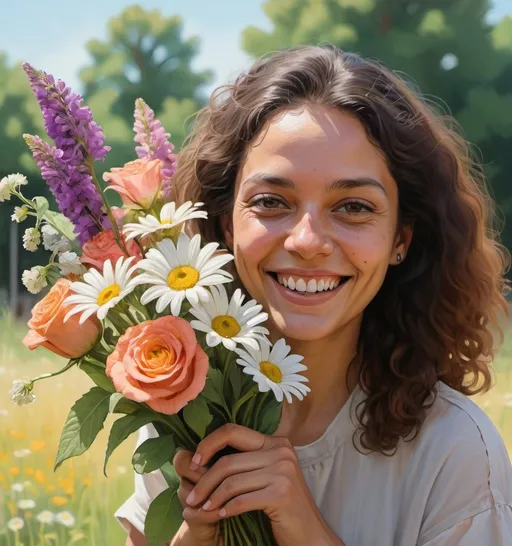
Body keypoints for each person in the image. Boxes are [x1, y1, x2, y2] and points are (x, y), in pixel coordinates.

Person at [116, 44, 512, 546]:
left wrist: (304, 529)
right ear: (225, 225)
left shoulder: (455, 452)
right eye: (270, 202)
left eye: (352, 207)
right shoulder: (179, 414)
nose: (306, 241)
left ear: (400, 240)